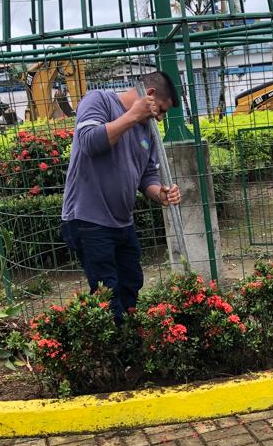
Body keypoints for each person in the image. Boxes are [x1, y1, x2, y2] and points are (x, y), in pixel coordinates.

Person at [61, 71, 182, 320]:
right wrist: (133, 115)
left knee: (131, 283)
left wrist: (159, 194)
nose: (160, 118)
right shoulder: (99, 101)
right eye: (161, 110)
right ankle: (113, 341)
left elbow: (147, 175)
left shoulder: (147, 130)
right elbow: (89, 142)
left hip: (122, 223)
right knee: (107, 294)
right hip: (88, 220)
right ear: (149, 95)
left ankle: (127, 336)